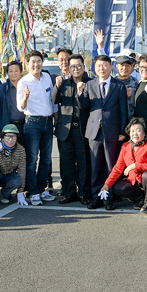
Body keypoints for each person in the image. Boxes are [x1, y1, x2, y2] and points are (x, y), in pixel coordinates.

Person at [79, 54, 128, 209]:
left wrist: (122, 131)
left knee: (110, 166)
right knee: (95, 166)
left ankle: (109, 197)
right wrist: (80, 94)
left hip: (112, 130)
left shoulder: (118, 85)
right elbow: (84, 107)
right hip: (93, 131)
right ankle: (96, 197)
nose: (102, 68)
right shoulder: (89, 85)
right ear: (95, 68)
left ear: (110, 66)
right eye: (98, 65)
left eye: (105, 65)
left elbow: (123, 111)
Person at [17, 50, 56, 205]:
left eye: (38, 61)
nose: (36, 64)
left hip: (48, 122)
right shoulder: (23, 81)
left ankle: (41, 189)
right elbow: (21, 107)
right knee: (32, 159)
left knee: (46, 159)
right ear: (27, 64)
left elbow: (52, 101)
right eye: (32, 62)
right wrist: (26, 96)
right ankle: (33, 191)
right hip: (33, 123)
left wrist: (55, 118)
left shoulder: (47, 77)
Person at [52, 53, 91, 205]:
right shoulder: (64, 83)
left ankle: (83, 193)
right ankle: (69, 193)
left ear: (83, 67)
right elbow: (55, 100)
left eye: (79, 66)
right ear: (68, 68)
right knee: (66, 163)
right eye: (72, 66)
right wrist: (57, 86)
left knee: (83, 163)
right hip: (65, 130)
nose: (76, 69)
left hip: (83, 130)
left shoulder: (90, 83)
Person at [100, 118, 147, 213]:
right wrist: (106, 185)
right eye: (132, 131)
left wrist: (135, 165)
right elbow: (118, 168)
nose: (135, 134)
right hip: (134, 181)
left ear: (144, 133)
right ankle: (141, 198)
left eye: (138, 131)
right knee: (117, 188)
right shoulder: (125, 146)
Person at [0, 124, 29, 208]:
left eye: (13, 137)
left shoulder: (20, 149)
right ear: (2, 137)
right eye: (7, 136)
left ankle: (2, 194)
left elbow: (22, 170)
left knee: (17, 179)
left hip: (8, 175)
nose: (10, 139)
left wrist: (20, 191)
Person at [0, 60, 26, 135]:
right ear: (7, 73)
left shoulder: (26, 87)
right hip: (9, 126)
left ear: (21, 72)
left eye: (16, 71)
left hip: (25, 125)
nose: (13, 73)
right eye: (11, 71)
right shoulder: (2, 88)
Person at [113, 54, 139, 120]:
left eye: (127, 66)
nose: (124, 68)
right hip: (116, 120)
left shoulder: (135, 81)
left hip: (132, 120)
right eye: (122, 65)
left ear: (131, 67)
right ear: (117, 67)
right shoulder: (112, 83)